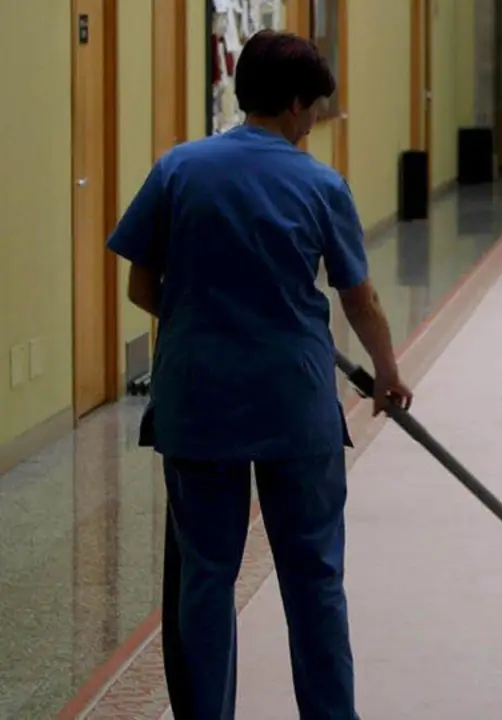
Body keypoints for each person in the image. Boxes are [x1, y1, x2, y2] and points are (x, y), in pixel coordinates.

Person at [107, 29, 411, 719]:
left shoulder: (178, 169)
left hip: (198, 399)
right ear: (298, 104)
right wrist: (388, 373)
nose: (312, 124)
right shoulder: (319, 183)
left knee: (206, 580)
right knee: (314, 577)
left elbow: (140, 286)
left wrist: (195, 315)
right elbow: (357, 298)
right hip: (293, 401)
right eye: (314, 110)